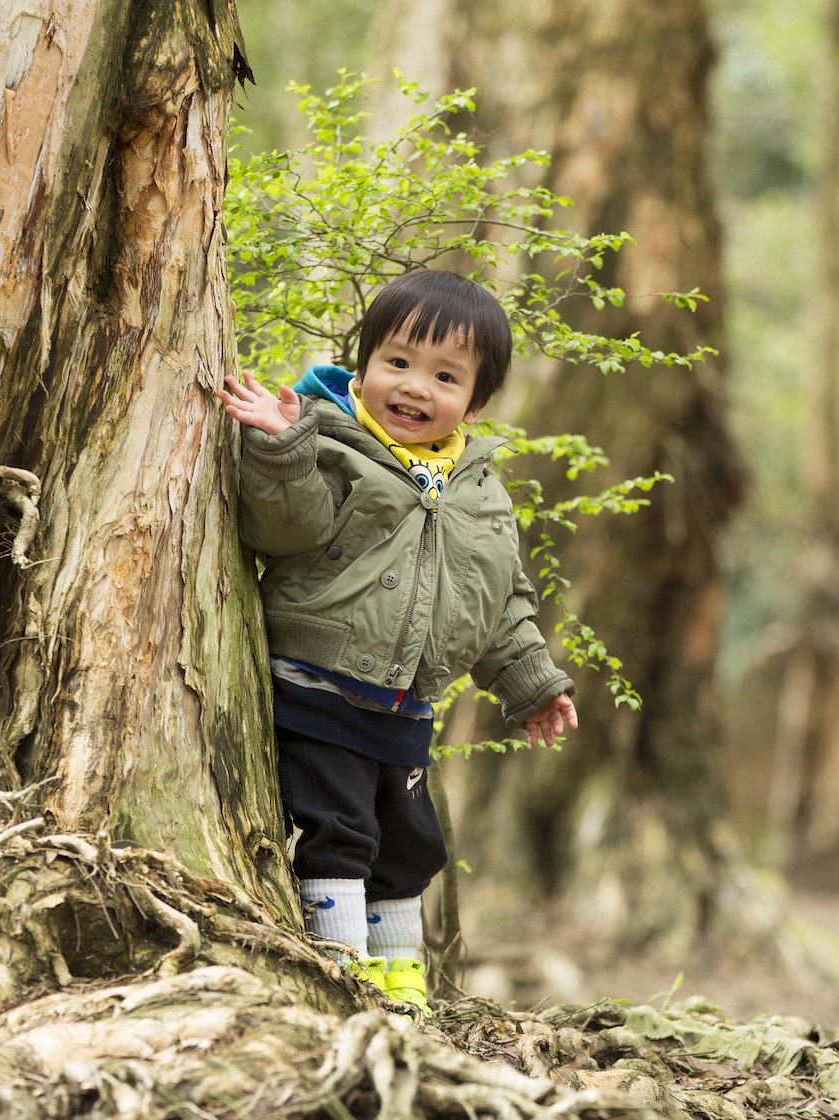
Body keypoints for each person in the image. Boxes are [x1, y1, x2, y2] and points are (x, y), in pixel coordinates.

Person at [218, 269, 578, 1013]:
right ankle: (341, 964)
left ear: (475, 403)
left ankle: (400, 973)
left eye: (445, 376)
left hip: (405, 706)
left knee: (410, 843)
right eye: (399, 363)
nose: (415, 387)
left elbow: (498, 599)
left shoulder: (479, 488)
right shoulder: (333, 443)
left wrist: (533, 685)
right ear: (364, 366)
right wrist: (282, 447)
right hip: (318, 687)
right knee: (339, 830)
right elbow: (283, 529)